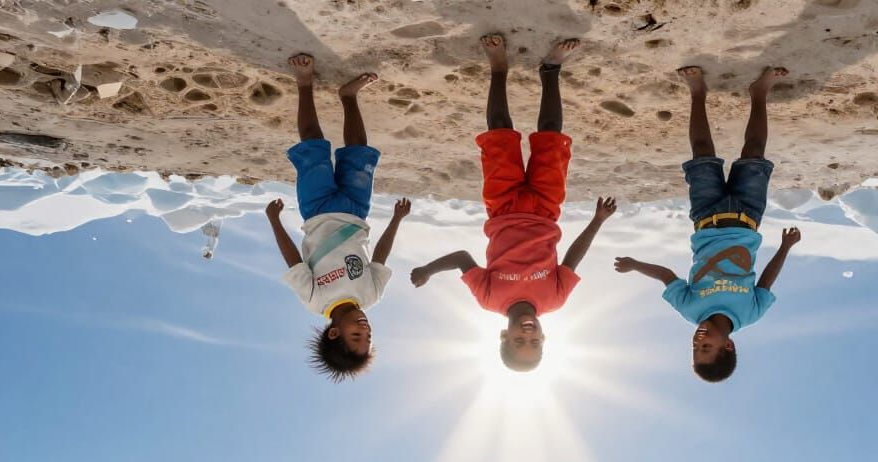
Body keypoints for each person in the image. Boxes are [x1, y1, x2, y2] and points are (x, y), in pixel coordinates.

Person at [410, 35, 616, 372]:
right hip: (547, 208)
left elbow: (463, 258)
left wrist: (429, 270)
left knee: (500, 131)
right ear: (544, 340)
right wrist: (598, 220)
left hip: (503, 206)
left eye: (519, 342)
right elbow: (572, 258)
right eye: (534, 343)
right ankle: (551, 71)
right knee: (551, 132)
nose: (528, 335)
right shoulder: (554, 299)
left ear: (503, 338)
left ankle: (499, 68)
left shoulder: (489, 299)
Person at [614, 65, 801, 382]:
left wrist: (635, 264)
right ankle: (759, 93)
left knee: (702, 153)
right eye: (706, 347)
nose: (698, 340)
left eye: (694, 348)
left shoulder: (689, 310)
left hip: (706, 215)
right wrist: (785, 247)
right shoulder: (750, 314)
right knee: (754, 152)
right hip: (748, 215)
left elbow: (667, 276)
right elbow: (767, 281)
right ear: (727, 346)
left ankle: (697, 92)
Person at [266, 53, 411, 382]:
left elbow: (294, 263)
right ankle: (348, 97)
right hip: (357, 210)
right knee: (359, 147)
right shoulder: (371, 296)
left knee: (312, 143)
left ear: (334, 333)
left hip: (316, 210)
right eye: (369, 337)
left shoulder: (315, 300)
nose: (365, 329)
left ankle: (304, 83)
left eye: (357, 336)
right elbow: (380, 256)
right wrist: (396, 219)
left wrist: (274, 221)